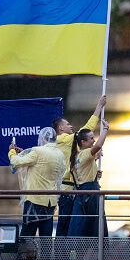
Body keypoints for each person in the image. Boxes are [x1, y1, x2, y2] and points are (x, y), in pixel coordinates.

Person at [52, 95, 106, 237]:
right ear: (61, 128)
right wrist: (99, 107)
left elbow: (77, 165)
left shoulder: (70, 146)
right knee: (67, 225)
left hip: (72, 187)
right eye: (68, 124)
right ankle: (62, 256)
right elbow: (86, 130)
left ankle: (65, 256)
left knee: (70, 225)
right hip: (68, 189)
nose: (71, 126)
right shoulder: (64, 139)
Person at [9, 127, 66, 237]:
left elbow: (16, 162)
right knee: (46, 237)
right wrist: (25, 153)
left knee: (27, 235)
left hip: (34, 200)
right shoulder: (60, 154)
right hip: (50, 202)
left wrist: (12, 151)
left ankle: (26, 254)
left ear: (43, 138)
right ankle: (46, 255)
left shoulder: (37, 151)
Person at [67, 120, 110, 237]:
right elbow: (99, 146)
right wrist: (105, 129)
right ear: (83, 142)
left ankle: (78, 252)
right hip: (90, 194)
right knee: (94, 225)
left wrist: (95, 174)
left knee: (81, 226)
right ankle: (97, 250)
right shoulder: (85, 153)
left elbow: (83, 171)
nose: (94, 140)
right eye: (91, 138)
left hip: (82, 193)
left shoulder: (77, 155)